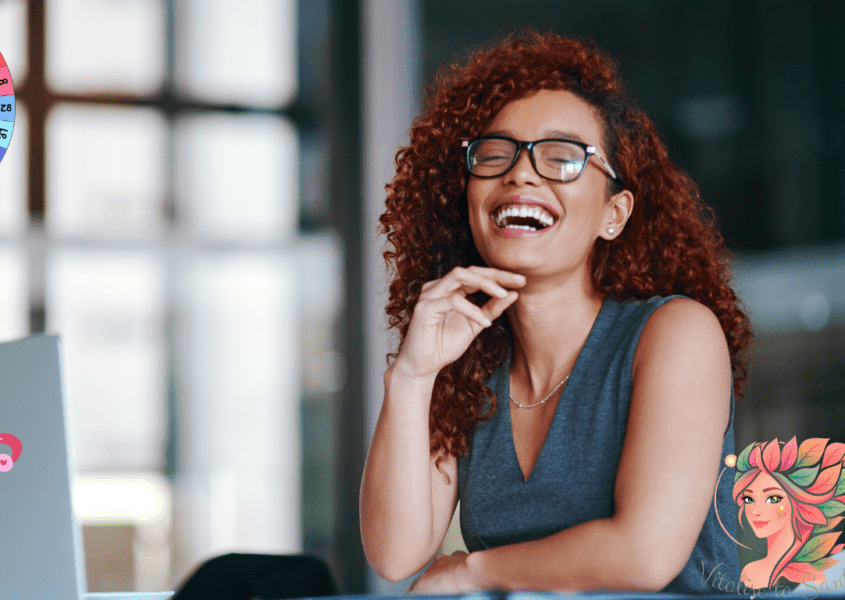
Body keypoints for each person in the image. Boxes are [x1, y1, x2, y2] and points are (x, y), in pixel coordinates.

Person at [360, 29, 753, 594]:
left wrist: (473, 570)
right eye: (495, 155)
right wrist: (412, 376)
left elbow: (645, 555)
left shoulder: (675, 334)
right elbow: (396, 556)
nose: (520, 173)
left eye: (562, 158)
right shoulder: (469, 365)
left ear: (613, 214)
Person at [734, 437, 845, 590]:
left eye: (773, 498)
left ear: (797, 500)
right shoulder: (751, 571)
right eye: (749, 499)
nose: (755, 511)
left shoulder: (817, 575)